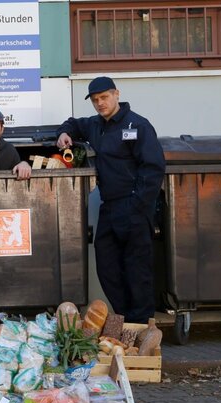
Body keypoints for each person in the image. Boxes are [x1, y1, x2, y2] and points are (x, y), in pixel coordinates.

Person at [56, 76, 165, 324]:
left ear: (116, 94)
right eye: (95, 100)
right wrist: (64, 132)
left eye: (104, 98)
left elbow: (153, 168)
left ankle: (141, 326)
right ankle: (125, 319)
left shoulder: (138, 125)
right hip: (110, 207)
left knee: (137, 270)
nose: (100, 104)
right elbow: (73, 124)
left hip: (135, 207)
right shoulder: (95, 125)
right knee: (107, 267)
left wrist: (137, 205)